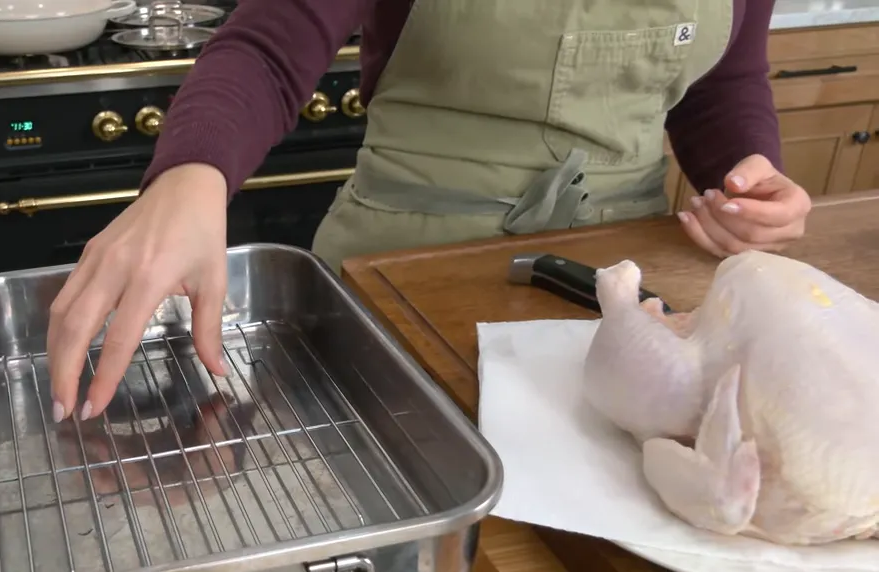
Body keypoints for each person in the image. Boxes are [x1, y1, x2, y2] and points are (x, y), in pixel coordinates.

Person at [46, 0, 811, 424]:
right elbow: (269, 47)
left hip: (623, 290)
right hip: (404, 280)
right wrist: (192, 175)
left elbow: (724, 80)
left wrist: (752, 171)